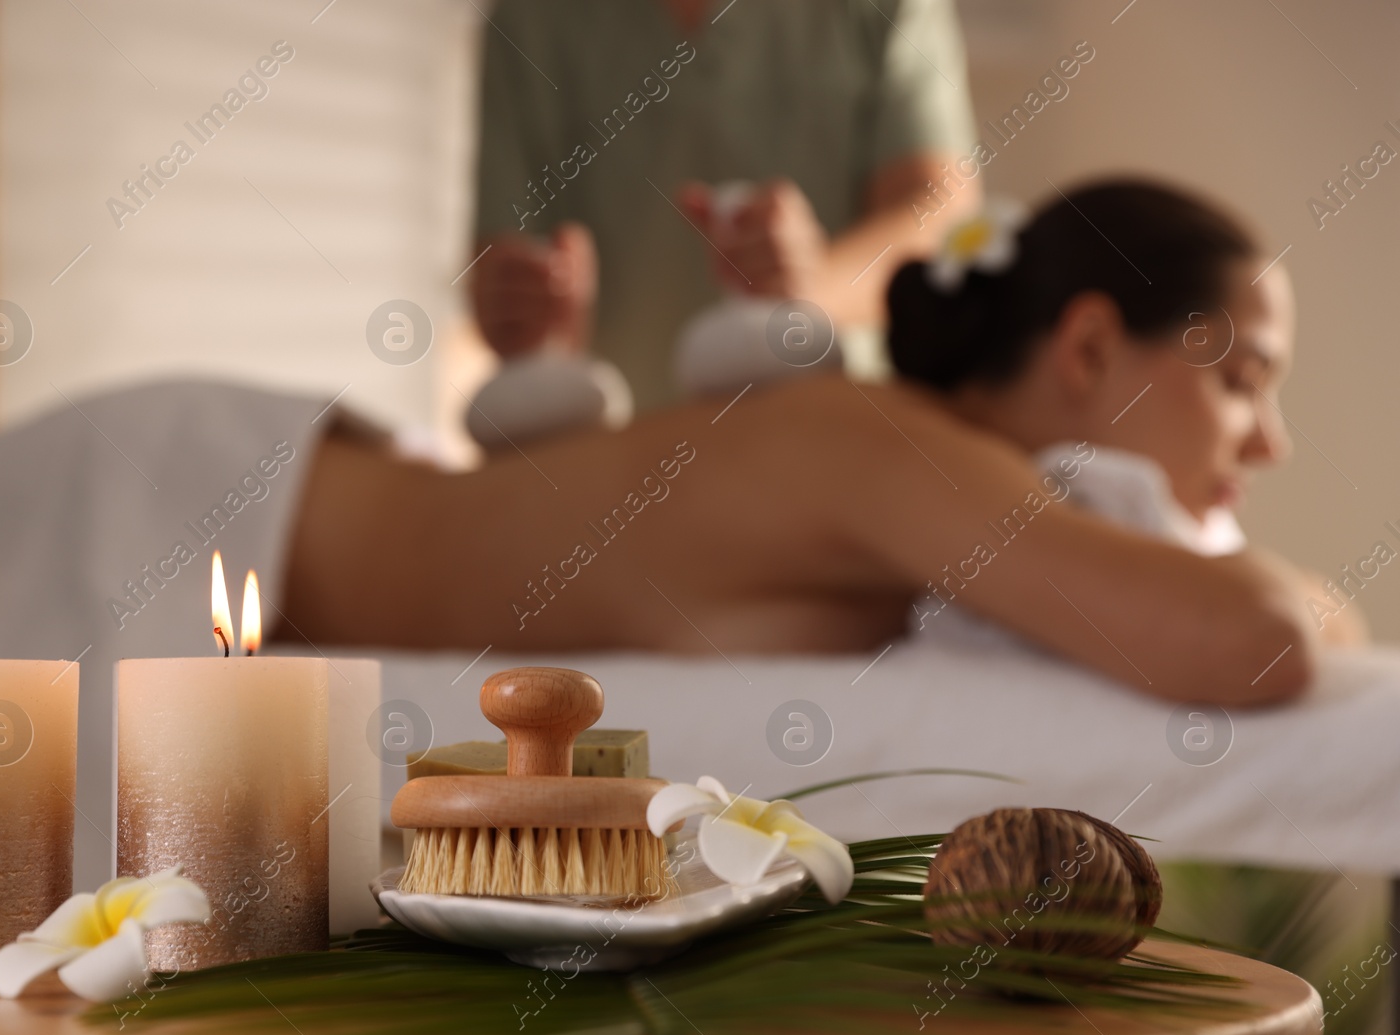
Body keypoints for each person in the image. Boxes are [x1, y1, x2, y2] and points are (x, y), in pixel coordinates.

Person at [284, 178, 1364, 705]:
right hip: (237, 511)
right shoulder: (888, 448)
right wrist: (1320, 603)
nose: (1266, 442)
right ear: (1085, 344)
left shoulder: (908, 470)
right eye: (1239, 380)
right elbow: (1250, 644)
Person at [469, 0, 980, 409]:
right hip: (622, 478)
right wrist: (527, 310)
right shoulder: (529, 22)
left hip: (838, 458)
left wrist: (809, 283)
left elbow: (940, 218)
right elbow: (495, 266)